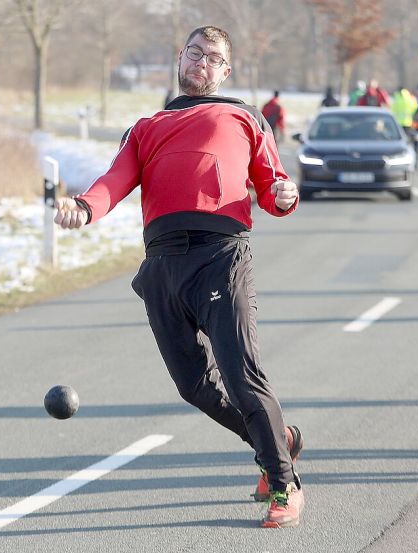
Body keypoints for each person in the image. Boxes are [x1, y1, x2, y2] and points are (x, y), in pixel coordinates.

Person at [53, 25, 305, 528]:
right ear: (180, 58)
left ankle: (283, 483)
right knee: (193, 386)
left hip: (220, 255)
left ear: (225, 71)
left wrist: (284, 195)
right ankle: (280, 440)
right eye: (194, 53)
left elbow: (273, 183)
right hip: (162, 265)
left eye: (212, 57)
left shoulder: (244, 117)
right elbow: (114, 181)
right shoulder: (146, 126)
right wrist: (84, 207)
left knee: (242, 376)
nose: (201, 62)